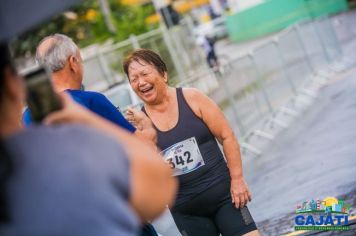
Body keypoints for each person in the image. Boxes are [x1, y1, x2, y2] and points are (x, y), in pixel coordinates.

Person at [0, 43, 177, 235]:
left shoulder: (29, 122)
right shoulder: (90, 102)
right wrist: (147, 131)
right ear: (73, 62)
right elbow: (158, 190)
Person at [124, 49, 259, 236]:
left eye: (145, 74)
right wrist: (144, 131)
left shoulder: (192, 98)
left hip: (225, 198)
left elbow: (227, 136)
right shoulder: (139, 124)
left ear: (164, 74)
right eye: (134, 78)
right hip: (186, 212)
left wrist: (237, 179)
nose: (141, 82)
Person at [23, 34, 156, 144]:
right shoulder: (91, 101)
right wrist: (147, 126)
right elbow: (144, 147)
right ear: (73, 62)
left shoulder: (28, 116)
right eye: (81, 60)